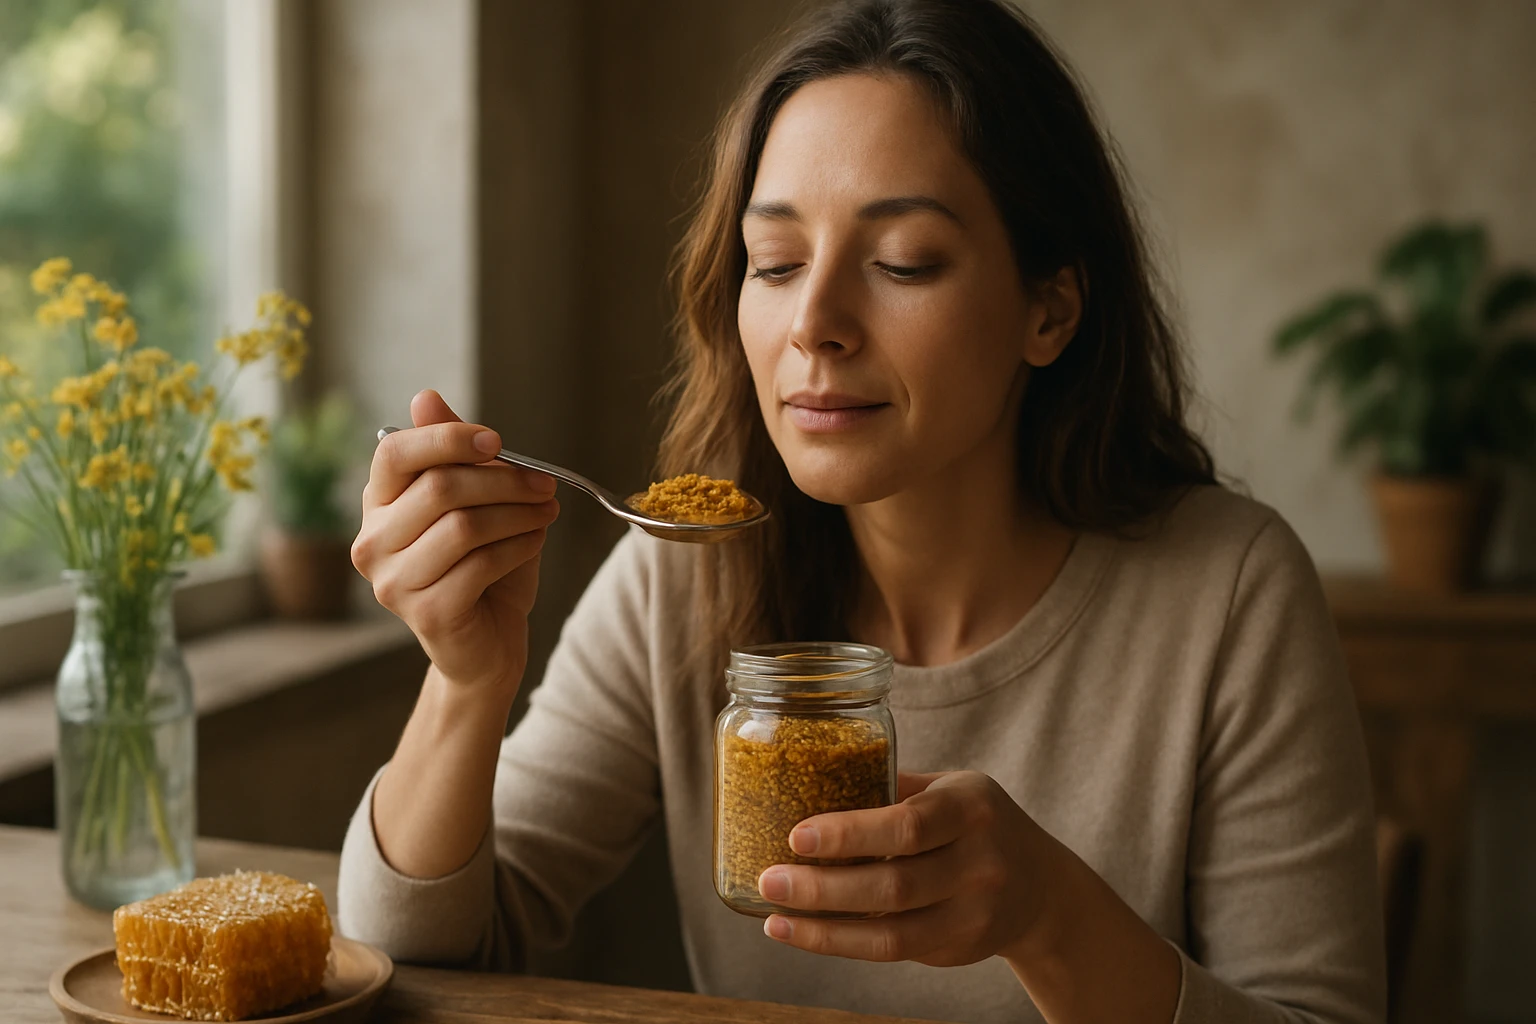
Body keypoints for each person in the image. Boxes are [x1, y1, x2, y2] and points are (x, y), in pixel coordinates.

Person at [337, 1, 1386, 1021]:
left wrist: (1050, 916)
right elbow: (411, 952)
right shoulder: (689, 568)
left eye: (903, 263)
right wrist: (466, 683)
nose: (815, 323)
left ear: (1049, 308)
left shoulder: (1230, 592)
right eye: (776, 262)